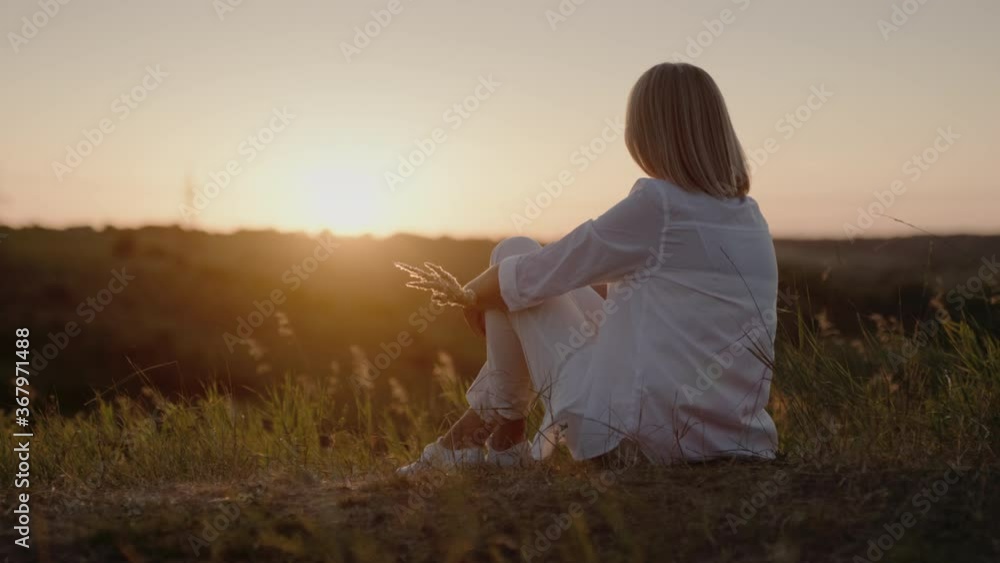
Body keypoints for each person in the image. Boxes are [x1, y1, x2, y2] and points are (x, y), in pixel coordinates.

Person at [398, 62, 779, 473]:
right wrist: (504, 299)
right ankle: (499, 439)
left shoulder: (660, 205)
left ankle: (489, 433)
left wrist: (471, 297)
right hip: (734, 440)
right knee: (520, 260)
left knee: (512, 258)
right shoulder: (750, 217)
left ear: (646, 133)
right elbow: (627, 294)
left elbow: (544, 271)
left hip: (634, 440)